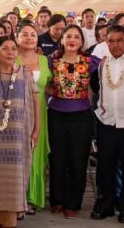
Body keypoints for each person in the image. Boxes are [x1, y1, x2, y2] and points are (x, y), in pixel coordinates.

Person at [0, 36, 39, 228]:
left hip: (18, 137)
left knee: (15, 179)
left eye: (14, 48)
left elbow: (35, 101)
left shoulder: (24, 73)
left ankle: (10, 221)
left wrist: (36, 130)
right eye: (5, 48)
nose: (10, 52)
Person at [46, 25, 97, 218]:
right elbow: (46, 85)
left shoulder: (91, 61)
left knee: (78, 159)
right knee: (57, 159)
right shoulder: (52, 61)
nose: (72, 40)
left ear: (82, 41)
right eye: (68, 36)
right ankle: (57, 199)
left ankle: (73, 203)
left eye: (76, 36)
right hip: (56, 114)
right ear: (62, 39)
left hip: (81, 116)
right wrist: (58, 92)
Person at [89, 25, 124, 223]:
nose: (115, 44)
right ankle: (105, 203)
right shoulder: (101, 65)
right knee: (105, 166)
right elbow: (95, 89)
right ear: (106, 42)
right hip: (106, 121)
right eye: (111, 41)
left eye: (120, 40)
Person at [15, 22, 52, 213]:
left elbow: (51, 86)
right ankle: (16, 199)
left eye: (33, 35)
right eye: (24, 34)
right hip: (17, 113)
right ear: (17, 38)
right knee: (19, 155)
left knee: (36, 154)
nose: (29, 38)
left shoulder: (45, 60)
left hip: (41, 113)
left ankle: (31, 198)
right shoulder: (12, 59)